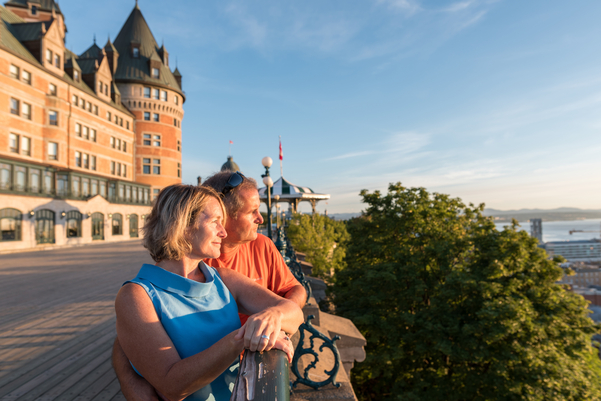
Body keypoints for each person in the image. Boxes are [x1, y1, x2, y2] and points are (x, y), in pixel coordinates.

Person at [113, 171, 306, 400]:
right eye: (215, 222)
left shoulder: (223, 278)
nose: (222, 232)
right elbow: (172, 385)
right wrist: (242, 337)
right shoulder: (136, 296)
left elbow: (294, 312)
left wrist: (271, 317)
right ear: (183, 225)